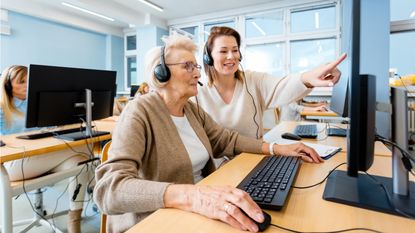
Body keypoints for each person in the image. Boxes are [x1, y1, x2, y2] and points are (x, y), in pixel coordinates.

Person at [93, 33, 323, 233]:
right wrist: (193, 196)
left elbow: (227, 140)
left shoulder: (191, 110)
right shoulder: (140, 111)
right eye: (187, 66)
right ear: (161, 73)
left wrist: (277, 149)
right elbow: (109, 190)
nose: (197, 74)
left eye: (196, 67)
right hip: (158, 218)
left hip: (200, 207)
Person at [197, 26, 346, 139]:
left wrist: (309, 77)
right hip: (217, 167)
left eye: (235, 50)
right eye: (223, 51)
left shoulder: (253, 81)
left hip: (254, 156)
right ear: (208, 58)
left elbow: (284, 84)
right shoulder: (198, 91)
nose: (231, 56)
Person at [0, 65, 89, 233]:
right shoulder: (2, 108)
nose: (27, 85)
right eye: (22, 81)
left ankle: (74, 219)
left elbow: (50, 128)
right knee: (82, 149)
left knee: (81, 161)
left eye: (29, 81)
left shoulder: (35, 104)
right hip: (11, 165)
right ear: (7, 85)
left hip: (39, 159)